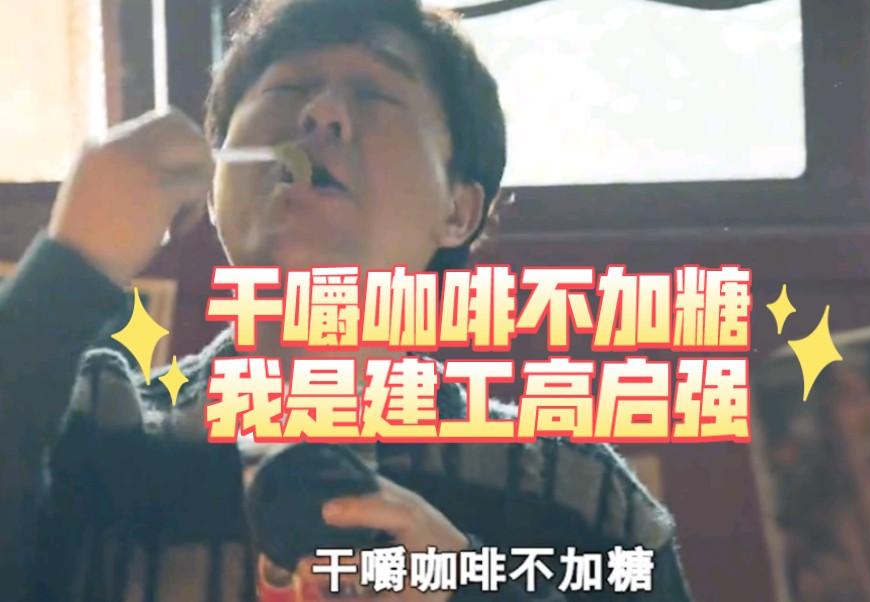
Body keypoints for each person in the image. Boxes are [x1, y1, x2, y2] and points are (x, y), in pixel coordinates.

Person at [0, 0, 693, 600]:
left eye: (376, 96)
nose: (322, 113)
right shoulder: (88, 429)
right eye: (288, 88)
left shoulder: (579, 493)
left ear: (458, 211)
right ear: (213, 186)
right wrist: (67, 271)